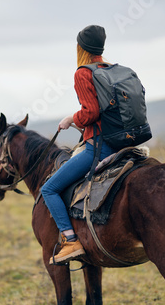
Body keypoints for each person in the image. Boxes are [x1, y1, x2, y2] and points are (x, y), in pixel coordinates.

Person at [41, 25, 117, 265]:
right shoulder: (112, 70)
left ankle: (71, 240)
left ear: (81, 48)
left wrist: (71, 119)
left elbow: (91, 111)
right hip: (121, 143)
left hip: (100, 147)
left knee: (49, 189)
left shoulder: (83, 73)